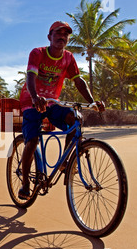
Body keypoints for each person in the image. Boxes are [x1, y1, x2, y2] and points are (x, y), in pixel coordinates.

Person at [18, 21, 104, 199]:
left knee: (75, 119)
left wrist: (93, 102)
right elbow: (30, 76)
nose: (62, 37)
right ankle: (25, 184)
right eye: (58, 33)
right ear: (50, 37)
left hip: (52, 103)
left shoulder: (69, 58)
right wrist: (35, 97)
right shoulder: (38, 53)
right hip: (31, 102)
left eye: (66, 34)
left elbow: (79, 81)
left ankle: (65, 163)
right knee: (32, 140)